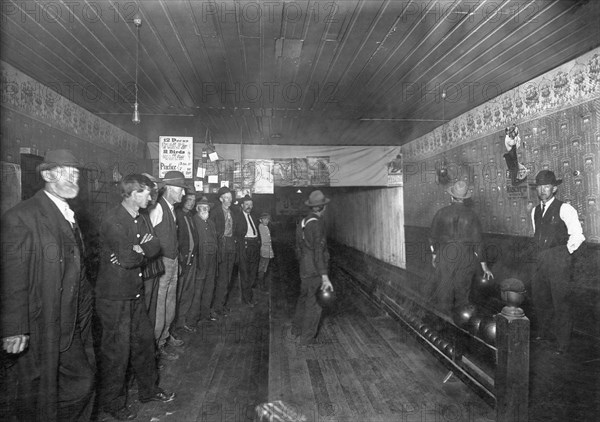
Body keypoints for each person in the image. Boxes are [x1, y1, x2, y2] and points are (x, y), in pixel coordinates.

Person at [1, 149, 95, 421]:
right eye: (69, 173)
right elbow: (11, 277)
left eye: (77, 174)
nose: (75, 179)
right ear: (48, 174)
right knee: (38, 396)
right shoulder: (22, 217)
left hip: (71, 322)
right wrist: (14, 328)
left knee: (80, 384)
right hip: (39, 324)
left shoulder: (67, 213)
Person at [95, 174, 175, 420]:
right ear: (132, 193)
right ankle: (113, 403)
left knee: (143, 344)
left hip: (134, 291)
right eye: (147, 193)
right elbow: (130, 258)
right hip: (114, 297)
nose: (151, 198)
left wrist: (138, 249)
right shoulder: (113, 219)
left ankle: (148, 390)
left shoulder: (139, 218)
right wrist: (139, 250)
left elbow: (155, 246)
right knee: (117, 352)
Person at [530, 170, 584, 355]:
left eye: (546, 186)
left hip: (559, 261)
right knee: (540, 299)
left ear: (554, 188)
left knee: (561, 302)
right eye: (539, 186)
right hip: (540, 260)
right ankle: (544, 334)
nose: (543, 190)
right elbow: (537, 234)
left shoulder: (565, 208)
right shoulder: (535, 211)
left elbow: (578, 235)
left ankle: (563, 344)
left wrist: (563, 253)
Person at [428, 180, 494, 316]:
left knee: (444, 292)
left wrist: (434, 255)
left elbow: (432, 237)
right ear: (465, 199)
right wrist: (484, 266)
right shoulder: (472, 216)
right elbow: (478, 242)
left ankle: (443, 324)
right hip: (466, 255)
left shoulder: (441, 213)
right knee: (463, 295)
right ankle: (461, 325)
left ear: (451, 197)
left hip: (445, 254)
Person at [150, 171, 186, 361]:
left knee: (170, 304)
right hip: (162, 263)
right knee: (160, 307)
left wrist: (177, 260)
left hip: (172, 261)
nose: (183, 194)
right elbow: (149, 236)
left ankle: (164, 337)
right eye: (180, 190)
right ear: (170, 189)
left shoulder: (171, 208)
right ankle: (156, 347)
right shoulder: (157, 208)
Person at [292, 190, 334, 345]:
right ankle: (307, 339)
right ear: (322, 207)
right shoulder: (317, 224)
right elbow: (318, 251)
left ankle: (296, 330)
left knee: (303, 299)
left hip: (304, 267)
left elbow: (298, 248)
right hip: (315, 270)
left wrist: (303, 264)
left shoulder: (303, 222)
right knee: (315, 305)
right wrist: (324, 276)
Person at [172, 192, 199, 333]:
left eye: (193, 200)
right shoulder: (176, 215)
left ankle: (182, 322)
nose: (191, 202)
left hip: (191, 260)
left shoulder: (190, 216)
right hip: (181, 260)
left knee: (188, 293)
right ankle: (172, 327)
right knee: (177, 294)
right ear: (182, 200)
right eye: (188, 199)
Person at [189, 196, 219, 324]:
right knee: (198, 290)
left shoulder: (211, 223)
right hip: (200, 260)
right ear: (197, 209)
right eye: (202, 208)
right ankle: (193, 318)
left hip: (212, 260)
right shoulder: (193, 221)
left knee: (209, 287)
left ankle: (205, 314)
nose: (205, 210)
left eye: (207, 208)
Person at [210, 187, 238, 316]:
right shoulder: (215, 212)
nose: (230, 200)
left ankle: (221, 304)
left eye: (231, 198)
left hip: (231, 245)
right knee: (221, 278)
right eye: (227, 198)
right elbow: (211, 231)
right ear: (221, 199)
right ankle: (217, 307)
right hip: (221, 247)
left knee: (227, 278)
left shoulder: (232, 212)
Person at [234, 195, 260, 307]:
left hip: (254, 246)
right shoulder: (237, 217)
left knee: (253, 273)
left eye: (250, 204)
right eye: (246, 204)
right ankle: (246, 299)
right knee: (245, 273)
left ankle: (249, 296)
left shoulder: (254, 217)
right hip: (244, 246)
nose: (249, 206)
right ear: (242, 206)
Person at [257, 212, 274, 291]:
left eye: (268, 219)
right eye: (264, 219)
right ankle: (260, 284)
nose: (266, 221)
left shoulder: (266, 227)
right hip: (263, 251)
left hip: (268, 251)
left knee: (265, 268)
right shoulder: (261, 226)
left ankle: (262, 283)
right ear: (260, 220)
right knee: (262, 268)